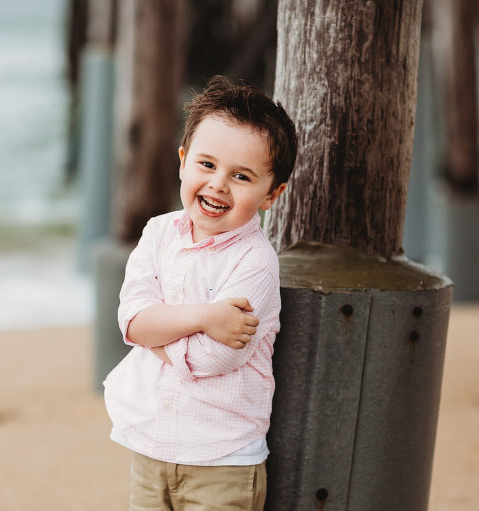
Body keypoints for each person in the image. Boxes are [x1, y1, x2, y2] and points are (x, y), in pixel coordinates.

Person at [103, 75, 298, 510]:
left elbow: (214, 357)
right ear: (183, 161)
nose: (218, 185)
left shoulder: (255, 264)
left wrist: (153, 329)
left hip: (222, 457)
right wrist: (204, 317)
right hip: (151, 441)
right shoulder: (158, 234)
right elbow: (130, 320)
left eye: (242, 176)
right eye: (206, 165)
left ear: (272, 194)